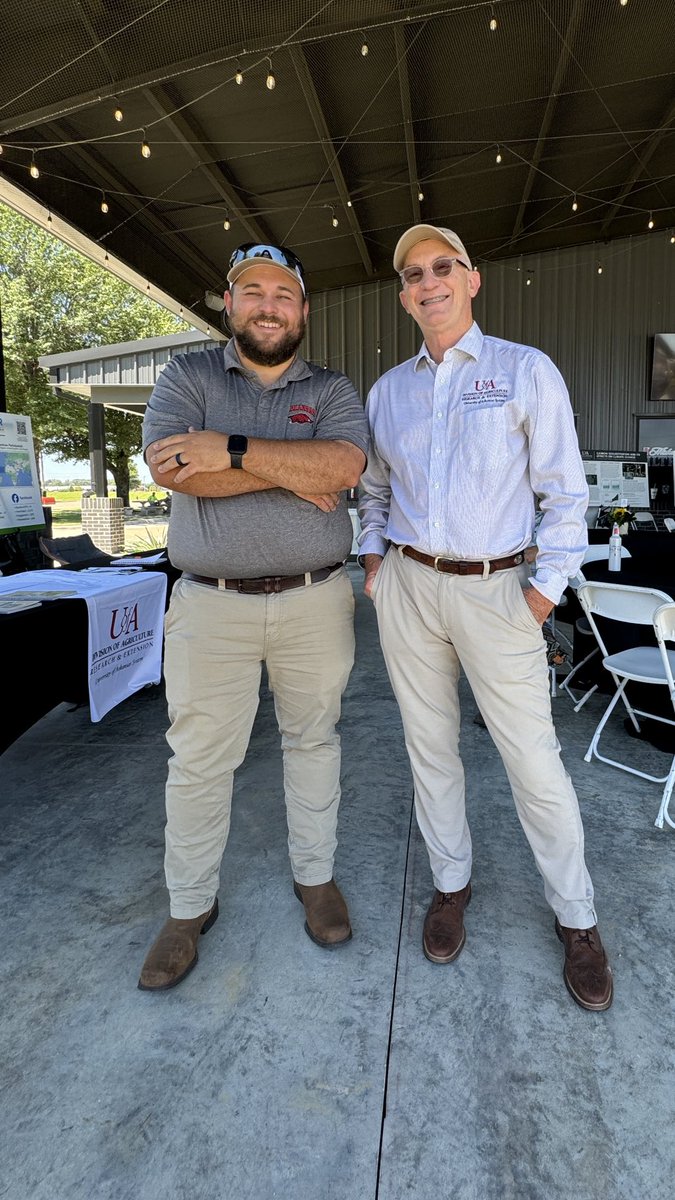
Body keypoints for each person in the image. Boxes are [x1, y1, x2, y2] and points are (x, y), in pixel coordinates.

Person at [358, 224, 612, 1012]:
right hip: (407, 587)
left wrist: (543, 592)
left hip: (498, 591)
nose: (427, 282)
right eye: (412, 274)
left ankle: (577, 919)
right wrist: (373, 566)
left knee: (532, 759)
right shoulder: (387, 391)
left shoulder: (523, 371)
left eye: (443, 267)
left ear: (472, 280)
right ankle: (449, 884)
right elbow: (371, 489)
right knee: (428, 748)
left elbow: (565, 494)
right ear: (402, 295)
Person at [138, 241, 368, 990]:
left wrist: (228, 450)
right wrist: (286, 470)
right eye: (253, 291)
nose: (268, 304)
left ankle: (315, 878)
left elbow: (341, 469)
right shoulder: (187, 375)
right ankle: (187, 908)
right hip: (212, 605)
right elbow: (172, 469)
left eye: (283, 293)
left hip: (315, 600)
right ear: (230, 304)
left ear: (303, 309)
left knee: (313, 743)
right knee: (200, 761)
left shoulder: (331, 389)